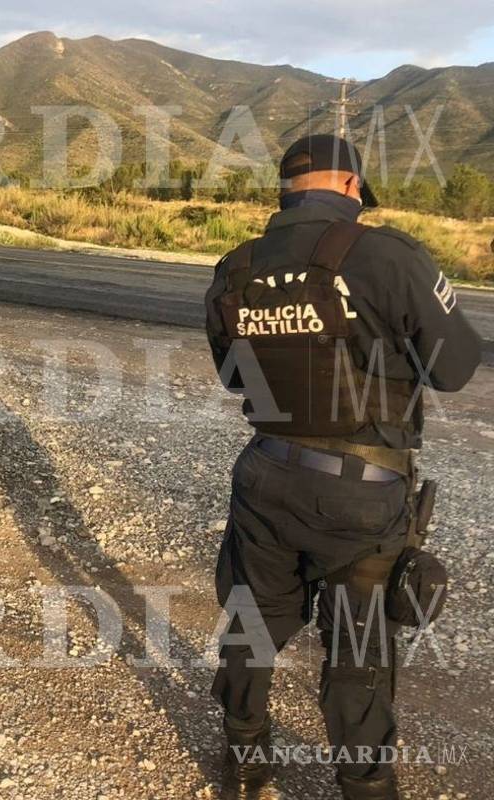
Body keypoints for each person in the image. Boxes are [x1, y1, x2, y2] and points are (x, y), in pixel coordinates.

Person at [203, 134, 482, 799]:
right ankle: (365, 786)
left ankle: (243, 760)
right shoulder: (386, 255)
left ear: (287, 191)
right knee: (358, 651)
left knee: (250, 623)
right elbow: (456, 368)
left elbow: (235, 375)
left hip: (265, 473)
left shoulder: (234, 267)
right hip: (360, 491)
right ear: (351, 188)